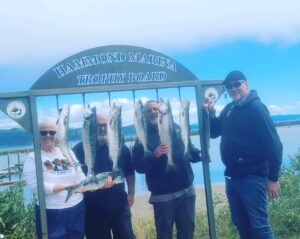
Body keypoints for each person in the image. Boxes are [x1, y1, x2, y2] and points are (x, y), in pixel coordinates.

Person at [203, 70, 283, 239]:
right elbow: (215, 132)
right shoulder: (230, 108)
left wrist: (273, 178)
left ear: (246, 84)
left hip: (253, 177)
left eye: (237, 84)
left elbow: (274, 145)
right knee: (241, 224)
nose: (233, 88)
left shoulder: (256, 108)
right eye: (229, 86)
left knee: (259, 225)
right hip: (233, 177)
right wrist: (211, 114)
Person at [131, 100, 202, 239]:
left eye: (156, 109)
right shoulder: (142, 137)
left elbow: (189, 149)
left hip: (186, 192)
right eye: (149, 110)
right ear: (143, 115)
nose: (153, 112)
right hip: (163, 197)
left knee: (187, 233)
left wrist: (199, 154)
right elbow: (138, 167)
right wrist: (154, 155)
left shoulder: (176, 128)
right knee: (164, 235)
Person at [73, 114, 136, 239]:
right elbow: (74, 178)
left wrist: (132, 193)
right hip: (92, 209)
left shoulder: (120, 148)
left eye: (105, 125)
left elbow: (129, 172)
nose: (102, 129)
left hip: (119, 205)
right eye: (98, 126)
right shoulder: (79, 149)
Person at [23, 121, 87, 239]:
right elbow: (35, 186)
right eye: (44, 132)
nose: (48, 135)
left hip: (76, 208)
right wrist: (66, 186)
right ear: (38, 135)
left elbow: (80, 174)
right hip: (51, 212)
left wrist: (84, 185)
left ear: (56, 134)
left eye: (52, 132)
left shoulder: (68, 152)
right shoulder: (33, 157)